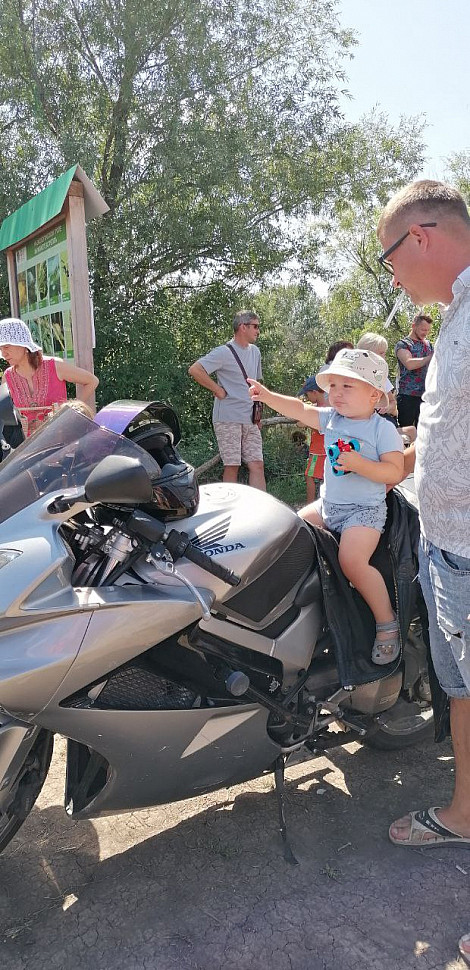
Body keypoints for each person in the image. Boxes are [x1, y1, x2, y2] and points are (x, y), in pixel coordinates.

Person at [376, 180, 470, 962]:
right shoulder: (454, 317)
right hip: (445, 539)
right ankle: (465, 811)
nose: (392, 275)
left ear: (425, 238)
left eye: (389, 256)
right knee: (462, 688)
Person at [248, 348, 404, 664]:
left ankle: (387, 622)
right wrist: (266, 396)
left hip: (365, 511)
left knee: (351, 560)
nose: (336, 393)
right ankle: (293, 612)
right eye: (333, 385)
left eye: (348, 386)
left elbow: (394, 471)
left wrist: (362, 464)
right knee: (287, 529)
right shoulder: (330, 418)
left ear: (374, 395)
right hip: (328, 505)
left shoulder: (381, 429)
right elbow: (298, 408)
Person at [188, 310, 266, 490]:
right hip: (227, 417)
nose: (258, 331)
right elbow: (195, 369)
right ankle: (230, 509)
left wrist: (258, 415)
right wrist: (217, 390)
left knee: (257, 465)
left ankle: (262, 508)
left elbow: (256, 384)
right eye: (255, 326)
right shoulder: (223, 352)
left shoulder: (255, 352)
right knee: (232, 465)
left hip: (250, 418)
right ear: (242, 327)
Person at [0, 318, 98, 437]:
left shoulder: (54, 366)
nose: (3, 353)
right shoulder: (7, 377)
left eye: (6, 346)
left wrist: (70, 410)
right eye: (0, 348)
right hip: (29, 447)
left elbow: (92, 381)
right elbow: (7, 416)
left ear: (22, 343)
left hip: (61, 441)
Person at [356, 331, 417, 444]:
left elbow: (393, 404)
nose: (384, 357)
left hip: (383, 423)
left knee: (412, 432)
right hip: (366, 428)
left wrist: (386, 408)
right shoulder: (353, 378)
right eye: (381, 353)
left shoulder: (381, 377)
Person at [394, 313, 433, 428]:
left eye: (427, 330)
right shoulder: (403, 344)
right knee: (406, 431)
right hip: (407, 396)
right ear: (413, 326)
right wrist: (430, 358)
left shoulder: (429, 344)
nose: (425, 333)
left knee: (425, 431)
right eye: (422, 329)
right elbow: (409, 363)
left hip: (426, 395)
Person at [296, 375, 326, 501]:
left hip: (317, 452)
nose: (307, 397)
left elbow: (301, 423)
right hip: (325, 451)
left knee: (309, 476)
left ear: (314, 392)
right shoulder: (328, 408)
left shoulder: (318, 410)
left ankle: (310, 504)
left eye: (307, 394)